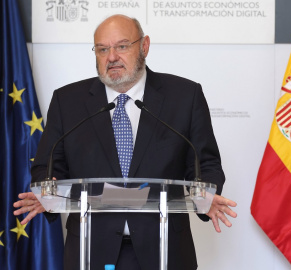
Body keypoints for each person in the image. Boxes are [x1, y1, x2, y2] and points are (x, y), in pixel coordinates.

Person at [13, 14, 237, 270]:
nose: (111, 57)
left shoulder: (185, 96)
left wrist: (205, 195)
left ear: (144, 46)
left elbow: (206, 163)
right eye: (102, 49)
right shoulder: (68, 101)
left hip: (165, 249)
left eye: (121, 46)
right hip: (90, 250)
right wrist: (48, 191)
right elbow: (47, 166)